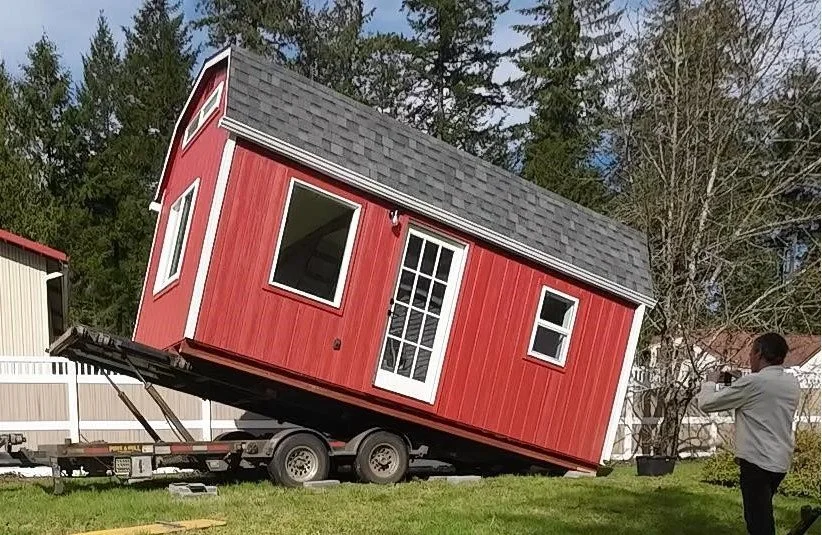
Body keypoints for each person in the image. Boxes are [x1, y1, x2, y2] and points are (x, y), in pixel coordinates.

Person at [697, 332, 800, 535]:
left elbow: (707, 403)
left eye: (751, 352)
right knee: (762, 514)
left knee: (758, 524)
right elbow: (760, 400)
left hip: (757, 462)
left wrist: (709, 382)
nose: (749, 357)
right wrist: (741, 382)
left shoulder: (753, 384)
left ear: (760, 353)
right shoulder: (791, 383)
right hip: (779, 462)